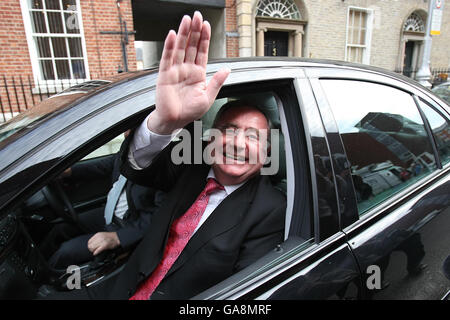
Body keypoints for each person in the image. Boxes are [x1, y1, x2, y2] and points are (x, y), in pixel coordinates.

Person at [63, 11, 285, 300]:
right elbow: (137, 166)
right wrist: (166, 122)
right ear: (211, 139)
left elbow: (243, 295)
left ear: (267, 152)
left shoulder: (271, 210)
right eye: (228, 130)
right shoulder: (189, 165)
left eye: (253, 136)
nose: (238, 144)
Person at [42, 134, 165, 269]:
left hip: (129, 226)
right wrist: (69, 171)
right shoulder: (130, 145)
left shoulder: (162, 164)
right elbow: (107, 164)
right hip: (110, 214)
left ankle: (41, 279)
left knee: (66, 251)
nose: (126, 133)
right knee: (60, 228)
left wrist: (118, 237)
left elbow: (162, 216)